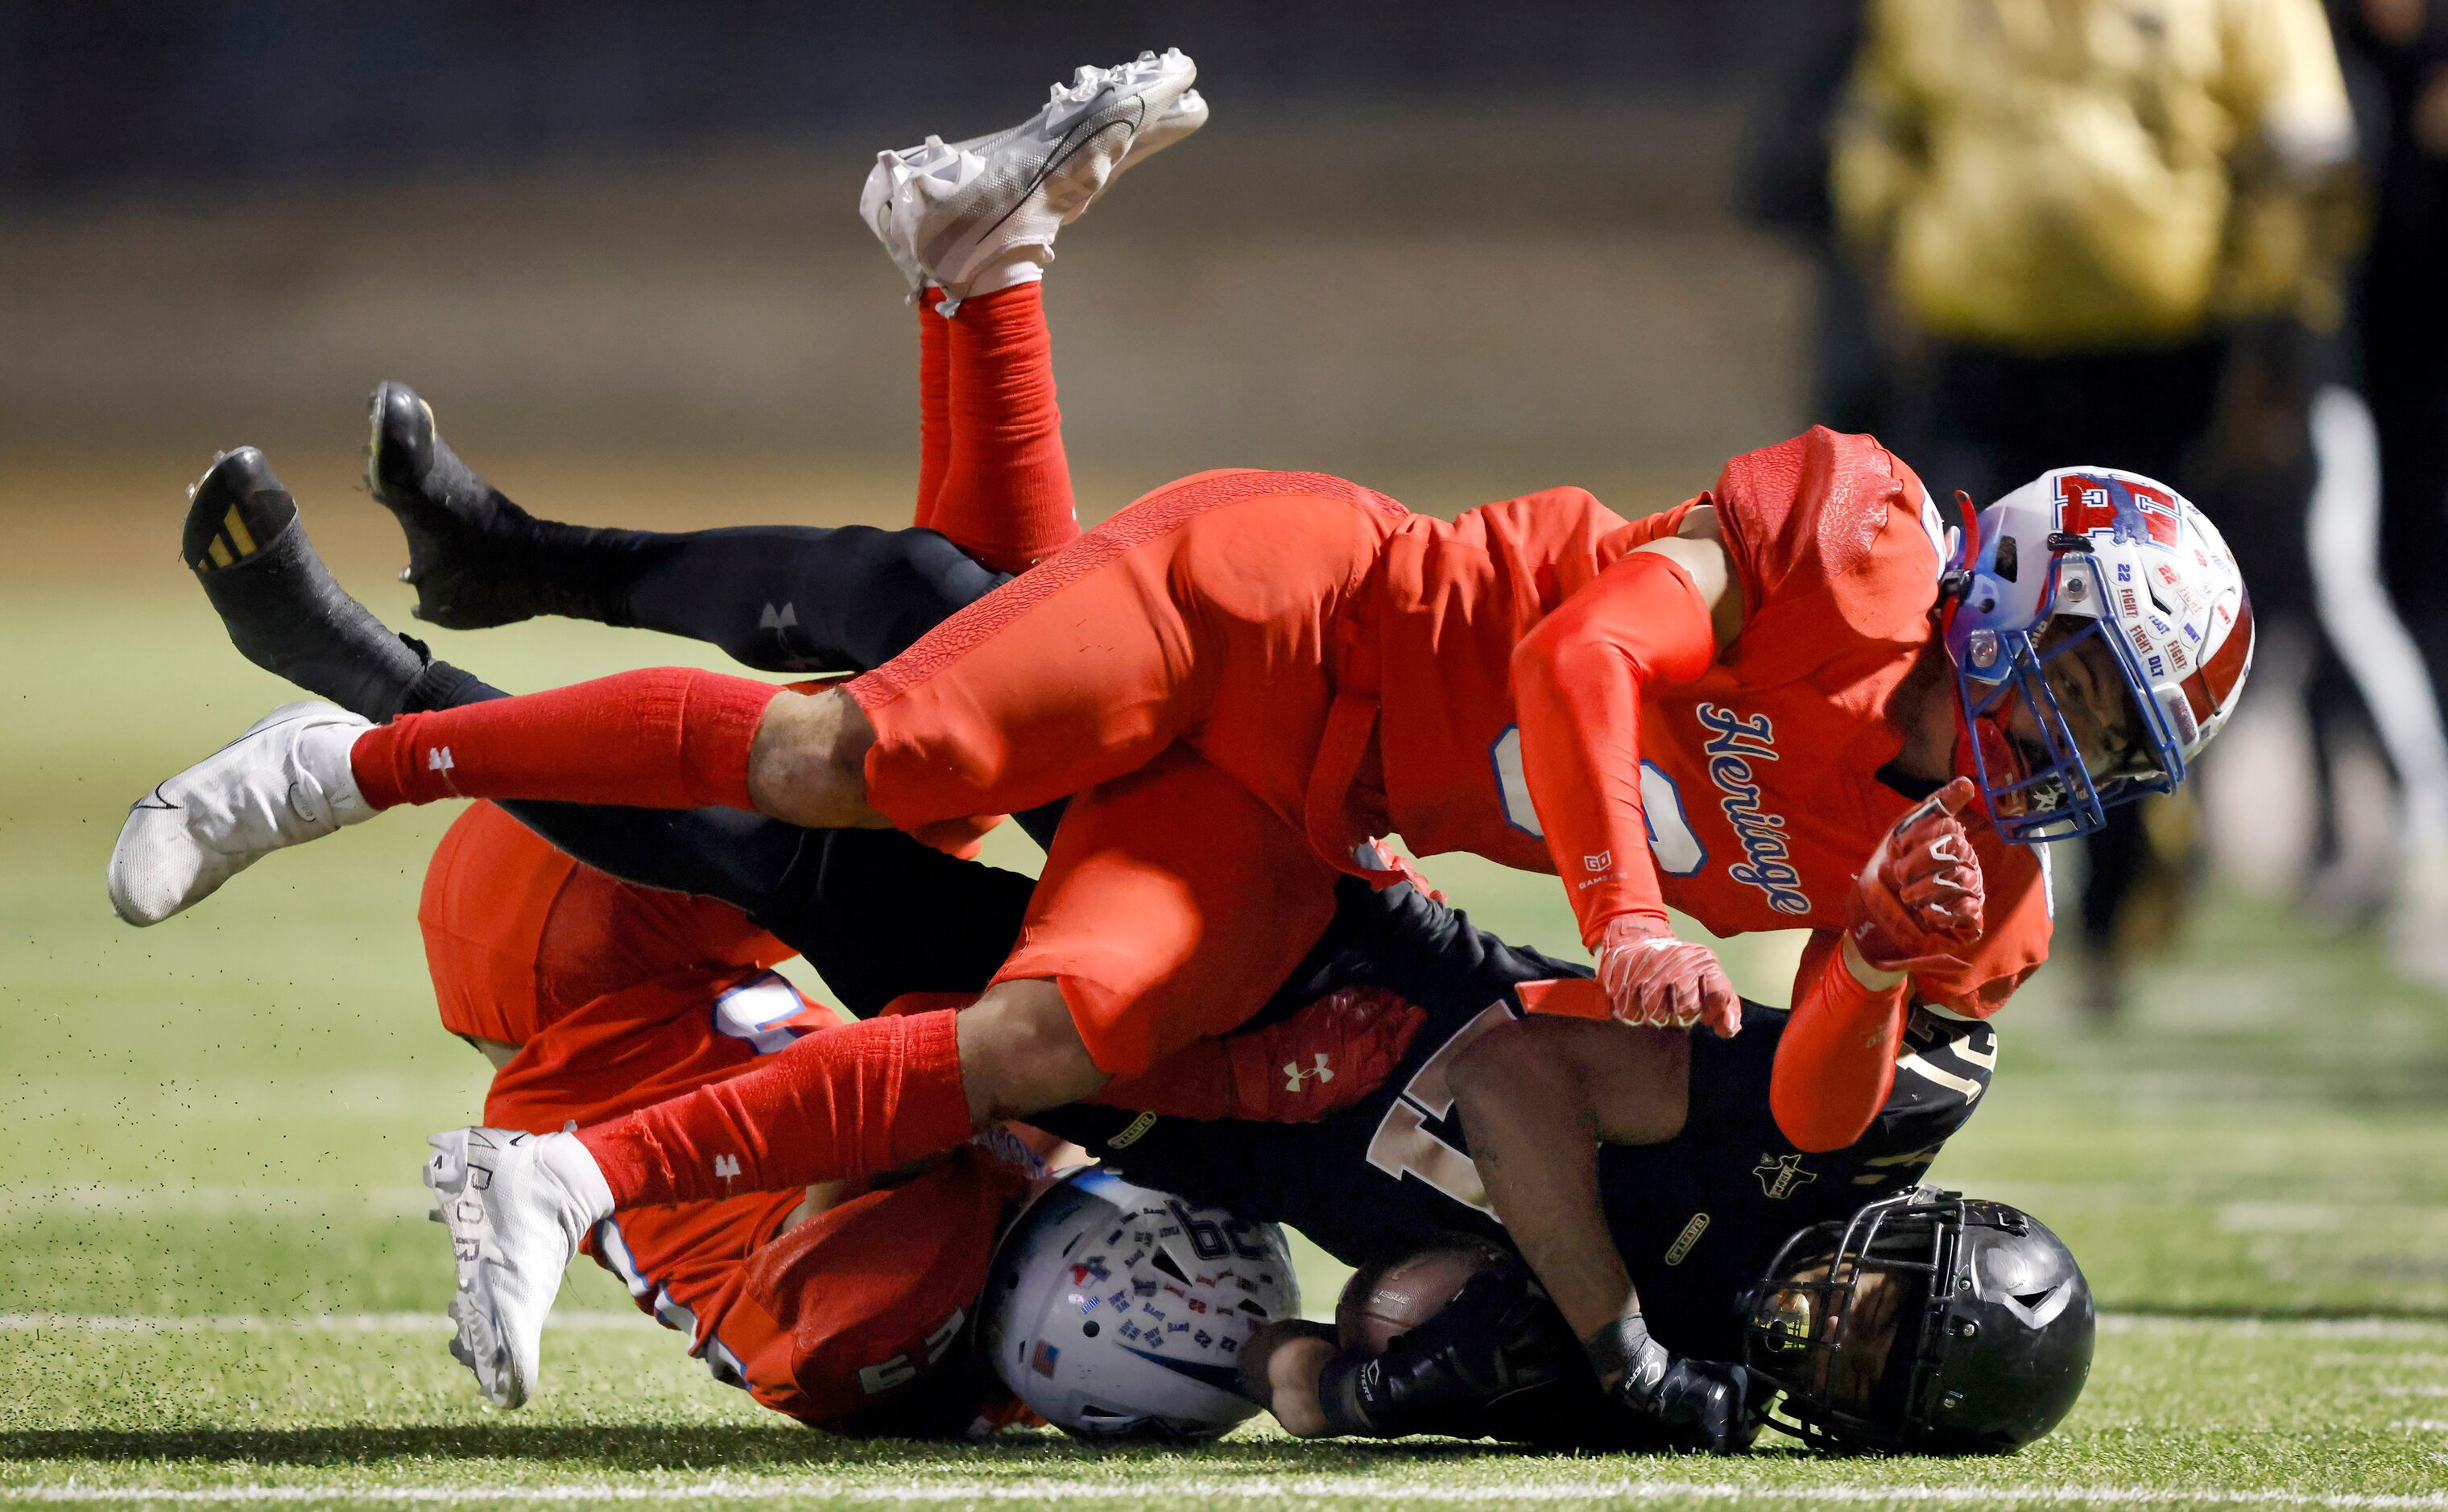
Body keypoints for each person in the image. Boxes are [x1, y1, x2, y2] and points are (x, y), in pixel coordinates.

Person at [108, 48, 2249, 1431]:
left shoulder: (1928, 941)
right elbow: (1589, 672)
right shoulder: (1865, 548)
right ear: (2005, 585)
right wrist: (1637, 972)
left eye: (2096, 738)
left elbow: (1344, 1356)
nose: (2044, 749)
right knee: (874, 719)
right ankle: (369, 730)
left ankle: (951, 290)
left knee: (942, 857)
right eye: (2057, 679)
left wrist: (1845, 974)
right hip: (1309, 621)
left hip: (1302, 855)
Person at [412, 762, 2058, 1452]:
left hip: (1211, 1108)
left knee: (853, 894)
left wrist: (1391, 1390)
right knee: (931, 715)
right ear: (1901, 1231)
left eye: (1855, 1374)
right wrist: (1608, 1338)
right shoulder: (1810, 1152)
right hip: (1321, 940)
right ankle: (400, 726)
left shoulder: (876, 1326)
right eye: (1869, 1306)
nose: (1824, 1329)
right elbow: (1504, 1077)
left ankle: (419, 734)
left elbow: (1333, 1350)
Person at [1830, 0, 2355, 1014]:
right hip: (1977, 344)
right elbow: (1880, 127)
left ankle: (2114, 907)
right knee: (1943, 632)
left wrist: (2279, 332)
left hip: (2162, 350)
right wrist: (1886, 264)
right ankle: (1905, 889)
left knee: (2124, 658)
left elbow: (2304, 157)